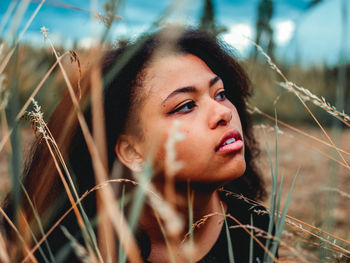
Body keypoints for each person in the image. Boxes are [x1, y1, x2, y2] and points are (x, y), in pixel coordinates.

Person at [3, 26, 276, 262]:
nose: (223, 113)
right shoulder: (73, 244)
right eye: (185, 106)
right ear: (132, 151)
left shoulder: (254, 230)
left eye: (220, 94)